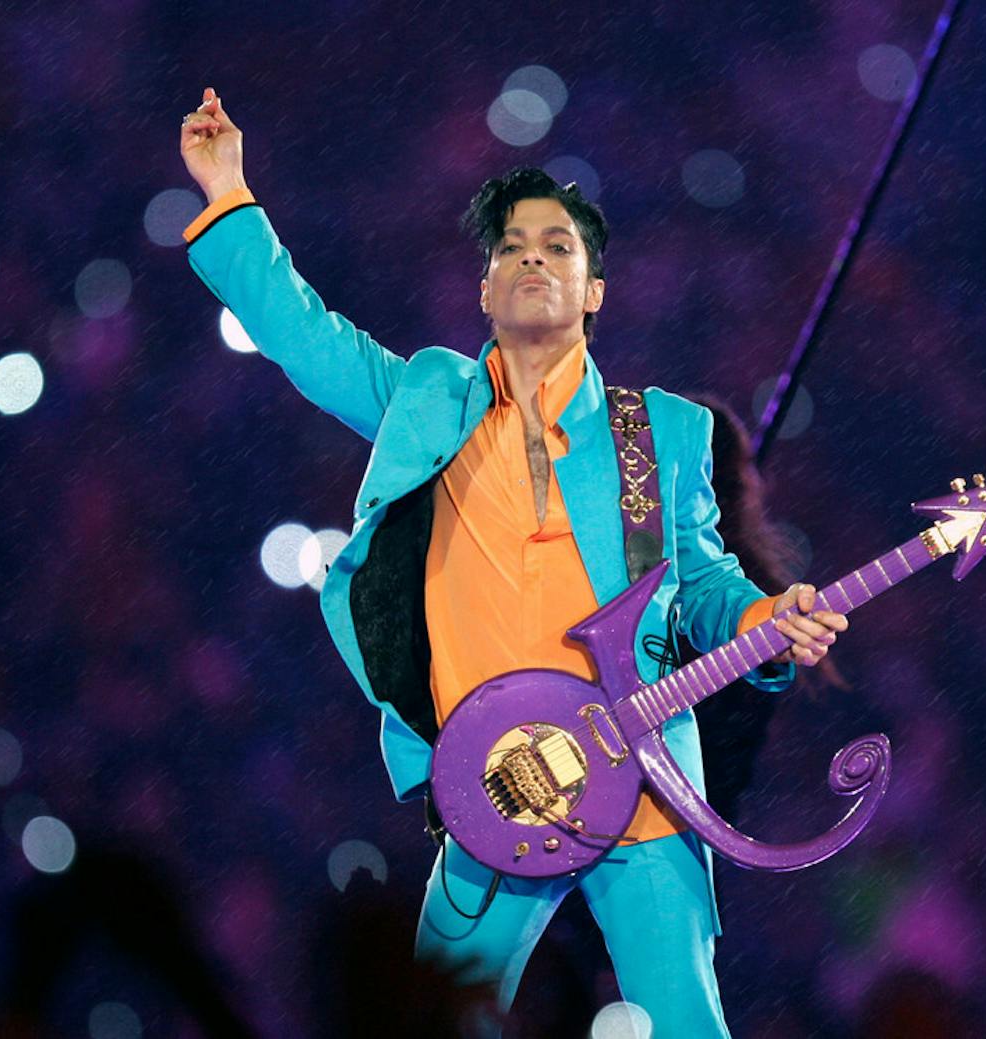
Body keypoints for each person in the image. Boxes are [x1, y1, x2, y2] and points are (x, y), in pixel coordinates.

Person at [178, 86, 848, 1037]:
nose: (533, 260)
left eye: (559, 247)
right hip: (499, 778)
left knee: (688, 1022)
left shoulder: (657, 431)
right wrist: (228, 192)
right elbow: (306, 336)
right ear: (487, 289)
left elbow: (698, 585)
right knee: (422, 1021)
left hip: (644, 771)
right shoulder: (428, 401)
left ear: (595, 290)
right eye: (512, 250)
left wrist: (762, 620)